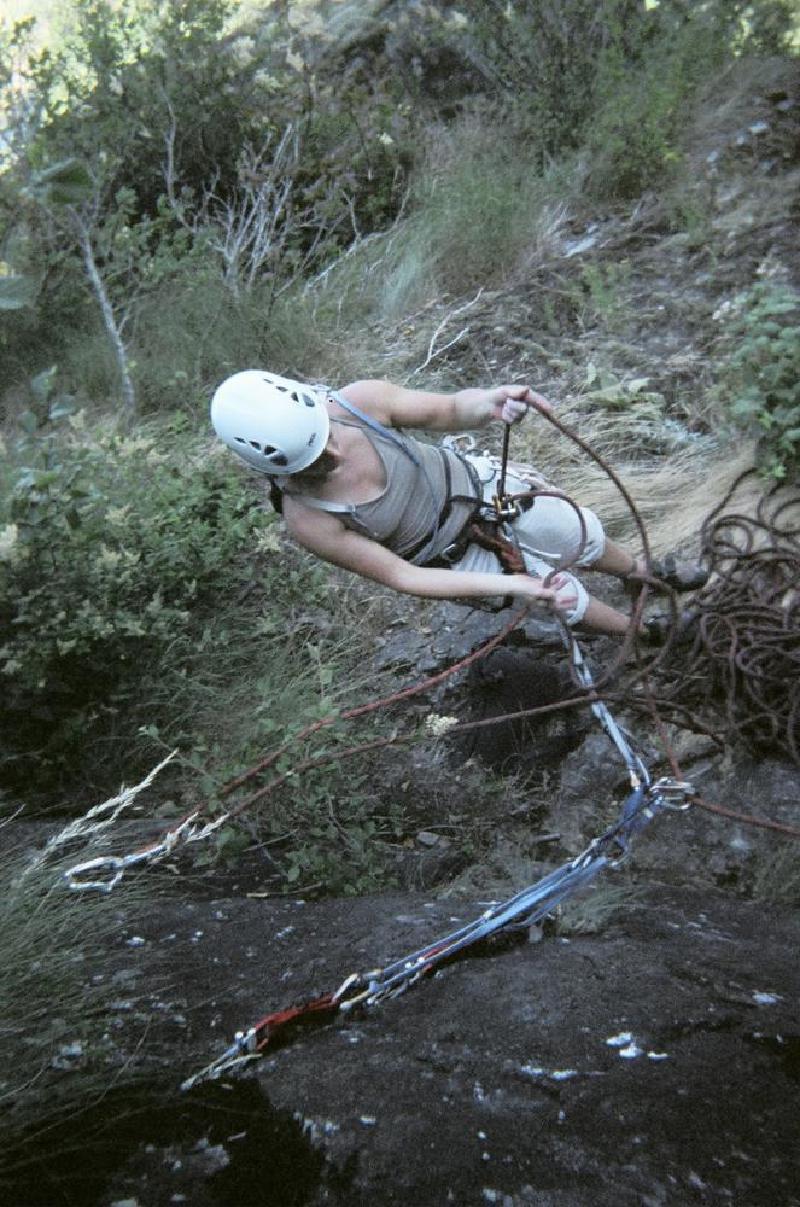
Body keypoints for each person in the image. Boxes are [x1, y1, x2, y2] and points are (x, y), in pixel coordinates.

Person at [210, 371, 703, 638]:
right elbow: (405, 577)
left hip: (484, 491)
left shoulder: (358, 403)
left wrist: (490, 403)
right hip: (453, 558)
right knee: (565, 602)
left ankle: (640, 573)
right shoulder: (309, 519)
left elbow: (447, 410)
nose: (335, 456)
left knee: (581, 533)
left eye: (325, 439)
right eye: (315, 463)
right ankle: (645, 636)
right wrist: (512, 584)